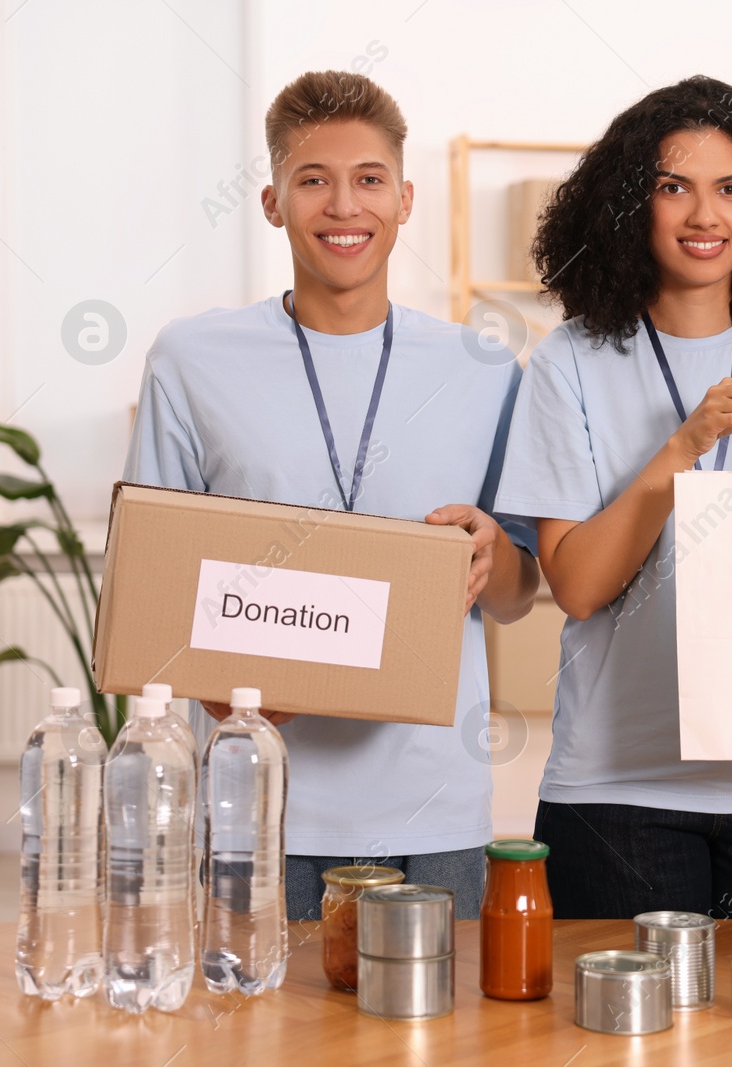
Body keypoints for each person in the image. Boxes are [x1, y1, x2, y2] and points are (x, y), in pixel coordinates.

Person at [124, 71, 538, 920]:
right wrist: (209, 683)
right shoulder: (191, 358)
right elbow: (150, 585)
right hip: (252, 803)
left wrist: (494, 557)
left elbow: (521, 590)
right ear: (273, 201)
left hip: (434, 805)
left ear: (406, 197)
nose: (344, 206)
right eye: (313, 180)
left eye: (369, 179)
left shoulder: (485, 368)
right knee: (254, 1047)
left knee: (434, 1049)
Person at [494, 76, 732, 920]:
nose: (706, 215)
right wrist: (681, 449)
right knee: (628, 1049)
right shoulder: (572, 361)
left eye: (731, 189)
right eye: (675, 188)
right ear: (632, 205)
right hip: (617, 787)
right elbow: (578, 586)